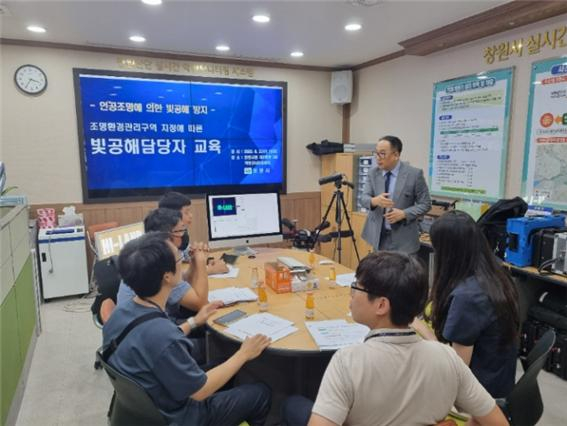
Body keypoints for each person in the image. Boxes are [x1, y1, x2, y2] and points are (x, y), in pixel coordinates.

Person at [281, 252, 508, 426]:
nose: (351, 296)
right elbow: (498, 422)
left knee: (291, 405)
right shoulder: (446, 356)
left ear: (381, 305)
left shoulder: (348, 361)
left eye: (355, 288)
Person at [103, 233, 272, 425]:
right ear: (167, 277)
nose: (183, 260)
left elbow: (153, 341)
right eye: (178, 258)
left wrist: (194, 321)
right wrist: (244, 353)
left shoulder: (123, 311)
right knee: (260, 393)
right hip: (178, 416)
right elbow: (199, 392)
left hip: (147, 403)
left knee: (224, 363)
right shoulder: (163, 335)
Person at [415, 210, 520, 398]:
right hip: (498, 378)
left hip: (481, 395)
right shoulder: (494, 271)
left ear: (448, 252)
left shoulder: (468, 297)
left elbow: (457, 367)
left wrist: (418, 326)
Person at [117, 208, 208, 324]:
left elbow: (183, 280)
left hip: (148, 324)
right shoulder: (160, 263)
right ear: (167, 236)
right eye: (181, 231)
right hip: (152, 330)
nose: (184, 235)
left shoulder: (150, 254)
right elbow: (200, 303)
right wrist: (201, 262)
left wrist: (194, 262)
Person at [360, 135, 431, 253]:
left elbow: (426, 204)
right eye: (376, 153)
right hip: (379, 238)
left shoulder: (414, 174)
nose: (377, 158)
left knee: (404, 271)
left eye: (382, 154)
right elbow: (363, 198)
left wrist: (404, 213)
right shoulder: (373, 173)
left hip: (404, 241)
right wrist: (374, 201)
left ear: (396, 155)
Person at [158, 191, 229, 275]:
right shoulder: (163, 243)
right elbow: (173, 279)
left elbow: (187, 256)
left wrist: (204, 259)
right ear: (172, 216)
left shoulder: (182, 232)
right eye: (186, 212)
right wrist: (211, 270)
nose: (191, 215)